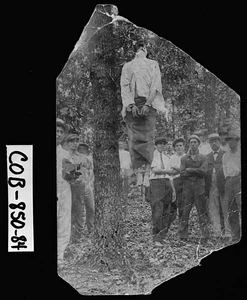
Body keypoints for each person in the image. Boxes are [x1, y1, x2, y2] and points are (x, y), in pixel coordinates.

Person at [120, 40, 167, 189]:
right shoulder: (127, 66)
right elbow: (125, 86)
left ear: (145, 50)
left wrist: (148, 104)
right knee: (134, 138)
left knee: (148, 137)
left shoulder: (153, 64)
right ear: (135, 51)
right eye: (138, 48)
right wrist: (131, 104)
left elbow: (155, 85)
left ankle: (147, 172)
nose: (141, 51)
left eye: (142, 48)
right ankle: (138, 173)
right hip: (132, 104)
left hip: (148, 103)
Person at [179, 134, 209, 242]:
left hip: (199, 187)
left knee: (201, 211)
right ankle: (183, 235)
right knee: (185, 211)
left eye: (195, 142)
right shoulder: (184, 158)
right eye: (191, 142)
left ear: (198, 144)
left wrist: (190, 170)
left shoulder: (204, 158)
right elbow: (182, 173)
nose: (193, 144)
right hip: (187, 188)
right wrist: (197, 172)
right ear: (189, 144)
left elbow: (204, 172)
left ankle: (204, 235)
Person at [66, 134, 95, 242]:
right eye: (72, 141)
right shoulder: (66, 157)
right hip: (75, 187)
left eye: (76, 141)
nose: (75, 143)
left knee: (91, 208)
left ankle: (91, 230)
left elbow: (90, 169)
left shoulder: (83, 157)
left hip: (86, 185)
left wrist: (89, 181)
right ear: (68, 143)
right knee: (78, 210)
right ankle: (77, 233)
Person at [149, 137, 176, 243]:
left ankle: (162, 236)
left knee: (167, 210)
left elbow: (170, 177)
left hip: (167, 183)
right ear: (156, 145)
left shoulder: (166, 158)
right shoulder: (152, 156)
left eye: (164, 144)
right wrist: (167, 171)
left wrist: (173, 190)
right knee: (157, 210)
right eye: (160, 144)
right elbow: (155, 170)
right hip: (156, 183)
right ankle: (156, 237)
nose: (162, 146)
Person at [205, 133, 230, 237]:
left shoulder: (226, 154)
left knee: (226, 209)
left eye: (216, 141)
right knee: (214, 208)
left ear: (219, 142)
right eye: (212, 141)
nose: (214, 143)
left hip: (224, 185)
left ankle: (228, 232)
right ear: (209, 144)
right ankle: (217, 232)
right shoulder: (207, 157)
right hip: (212, 185)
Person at [56, 118, 72, 263]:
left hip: (64, 190)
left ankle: (59, 254)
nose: (58, 134)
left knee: (64, 221)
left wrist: (76, 171)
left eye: (61, 132)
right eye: (56, 131)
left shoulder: (65, 154)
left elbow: (73, 175)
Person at [222, 130, 241, 243]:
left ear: (237, 141)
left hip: (239, 180)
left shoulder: (240, 153)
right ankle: (235, 237)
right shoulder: (225, 155)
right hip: (229, 182)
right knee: (231, 210)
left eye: (233, 140)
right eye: (229, 141)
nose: (231, 143)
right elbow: (224, 169)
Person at [169, 138, 186, 224]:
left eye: (180, 145)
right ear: (174, 148)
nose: (179, 148)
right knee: (173, 203)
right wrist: (181, 170)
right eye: (177, 146)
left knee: (183, 204)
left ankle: (182, 223)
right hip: (174, 181)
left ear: (184, 147)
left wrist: (176, 168)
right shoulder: (171, 158)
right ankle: (171, 223)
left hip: (185, 181)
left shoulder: (187, 157)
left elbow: (187, 171)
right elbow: (170, 172)